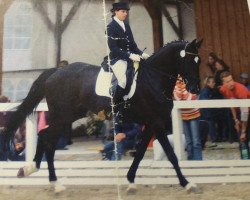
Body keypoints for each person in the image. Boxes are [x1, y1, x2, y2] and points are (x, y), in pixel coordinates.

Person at [107, 2, 149, 106]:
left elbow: (133, 45)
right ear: (116, 11)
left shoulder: (126, 25)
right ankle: (115, 106)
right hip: (117, 59)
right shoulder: (110, 27)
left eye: (126, 12)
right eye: (123, 11)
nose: (125, 14)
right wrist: (129, 55)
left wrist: (142, 53)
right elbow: (113, 48)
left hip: (129, 59)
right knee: (123, 81)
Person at [220, 71, 250, 159]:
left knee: (244, 137)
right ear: (223, 83)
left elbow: (245, 113)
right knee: (241, 141)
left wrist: (243, 131)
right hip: (238, 111)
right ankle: (245, 160)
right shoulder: (223, 89)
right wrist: (236, 120)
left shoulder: (241, 90)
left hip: (247, 111)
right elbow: (232, 104)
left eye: (231, 80)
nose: (231, 83)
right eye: (228, 81)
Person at [173, 77, 202, 160]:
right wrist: (184, 93)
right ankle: (190, 161)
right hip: (183, 115)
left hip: (194, 113)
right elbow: (178, 97)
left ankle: (198, 162)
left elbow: (193, 96)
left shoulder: (189, 78)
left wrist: (183, 93)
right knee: (188, 141)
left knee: (196, 141)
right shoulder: (173, 80)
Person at [199, 76, 218, 148]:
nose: (214, 83)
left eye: (214, 82)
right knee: (209, 128)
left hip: (208, 114)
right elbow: (205, 105)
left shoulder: (209, 91)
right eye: (212, 82)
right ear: (208, 83)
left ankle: (206, 143)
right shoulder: (205, 91)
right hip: (206, 115)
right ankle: (211, 142)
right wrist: (208, 115)